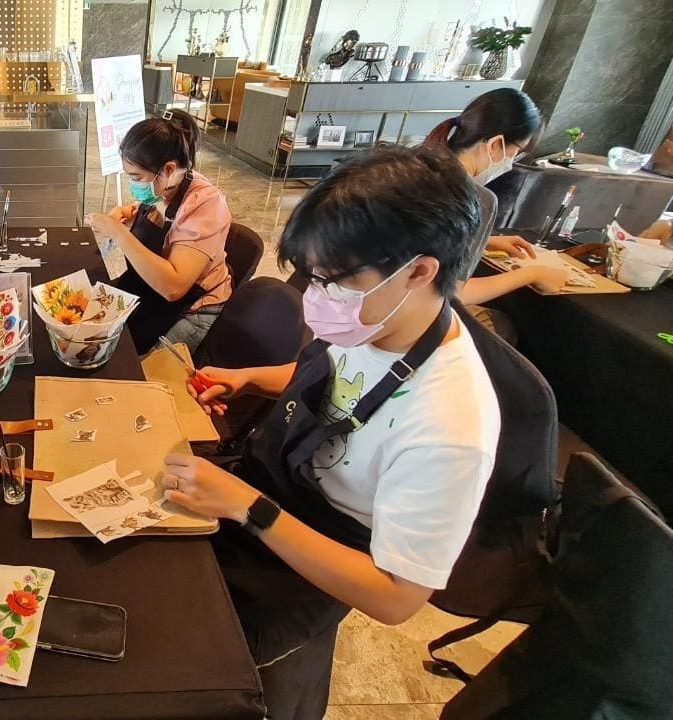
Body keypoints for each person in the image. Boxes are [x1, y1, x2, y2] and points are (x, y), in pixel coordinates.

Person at [164, 146, 500, 719]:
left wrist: (249, 508)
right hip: (258, 497)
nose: (316, 301)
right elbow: (331, 376)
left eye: (332, 282)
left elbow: (395, 598)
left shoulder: (450, 425)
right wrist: (251, 379)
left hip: (305, 569)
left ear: (419, 271)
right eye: (312, 279)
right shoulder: (377, 320)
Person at [85, 110, 232, 354]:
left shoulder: (205, 203)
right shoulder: (163, 187)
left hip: (192, 307)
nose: (134, 185)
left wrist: (119, 233)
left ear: (168, 169)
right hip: (150, 291)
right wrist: (123, 214)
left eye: (137, 177)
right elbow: (142, 212)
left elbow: (173, 287)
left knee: (138, 364)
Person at [425, 87, 569, 305]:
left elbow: (414, 245)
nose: (513, 161)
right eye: (517, 152)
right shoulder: (476, 198)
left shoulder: (411, 166)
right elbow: (452, 294)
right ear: (495, 145)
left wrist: (484, 242)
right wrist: (534, 274)